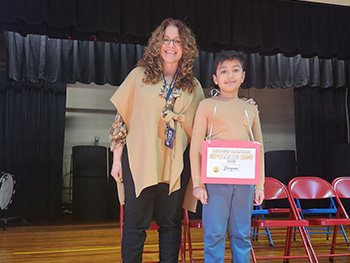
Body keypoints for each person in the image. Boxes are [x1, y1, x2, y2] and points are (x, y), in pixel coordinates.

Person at [109, 18, 204, 263]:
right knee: (135, 223)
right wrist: (116, 160)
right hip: (139, 163)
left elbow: (205, 126)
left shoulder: (193, 87)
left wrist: (241, 105)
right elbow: (121, 120)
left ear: (186, 48)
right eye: (166, 39)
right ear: (157, 44)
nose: (171, 45)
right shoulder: (138, 76)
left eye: (177, 41)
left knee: (170, 223)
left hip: (174, 166)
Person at [190, 50, 265, 263]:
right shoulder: (206, 106)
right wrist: (198, 183)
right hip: (215, 182)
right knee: (213, 234)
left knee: (241, 234)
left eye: (235, 70)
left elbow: (258, 148)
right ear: (215, 78)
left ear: (243, 76)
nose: (229, 75)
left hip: (244, 183)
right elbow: (196, 146)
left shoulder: (250, 109)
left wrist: (259, 185)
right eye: (223, 71)